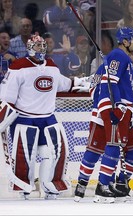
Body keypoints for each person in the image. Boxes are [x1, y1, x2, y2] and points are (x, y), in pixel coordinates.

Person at [0, 34, 85, 200]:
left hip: (47, 118)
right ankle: (24, 188)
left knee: (53, 154)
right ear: (30, 47)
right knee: (26, 156)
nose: (41, 49)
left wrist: (87, 82)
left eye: (43, 46)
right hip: (24, 119)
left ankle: (50, 186)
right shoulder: (18, 67)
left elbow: (66, 84)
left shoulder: (51, 66)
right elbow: (7, 97)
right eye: (38, 46)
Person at [74, 50, 133, 203]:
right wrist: (108, 106)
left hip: (125, 115)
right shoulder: (106, 66)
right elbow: (94, 89)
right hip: (105, 113)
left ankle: (120, 184)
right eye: (131, 53)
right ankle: (83, 184)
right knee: (95, 150)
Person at [76, 26, 133, 203]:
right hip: (113, 107)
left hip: (106, 107)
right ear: (125, 41)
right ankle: (102, 186)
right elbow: (110, 84)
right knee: (112, 144)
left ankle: (86, 185)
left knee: (96, 148)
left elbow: (94, 85)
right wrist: (116, 105)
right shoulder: (118, 56)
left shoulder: (115, 59)